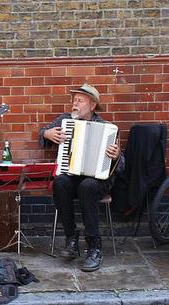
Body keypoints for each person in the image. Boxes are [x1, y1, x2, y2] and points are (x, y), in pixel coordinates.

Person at [39, 84, 124, 272]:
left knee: (87, 186)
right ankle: (72, 239)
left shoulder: (107, 128)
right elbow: (41, 134)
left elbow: (121, 165)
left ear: (92, 106)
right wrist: (48, 133)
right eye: (74, 100)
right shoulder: (64, 120)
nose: (74, 104)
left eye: (79, 101)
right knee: (60, 182)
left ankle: (94, 247)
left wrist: (117, 155)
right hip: (73, 175)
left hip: (98, 179)